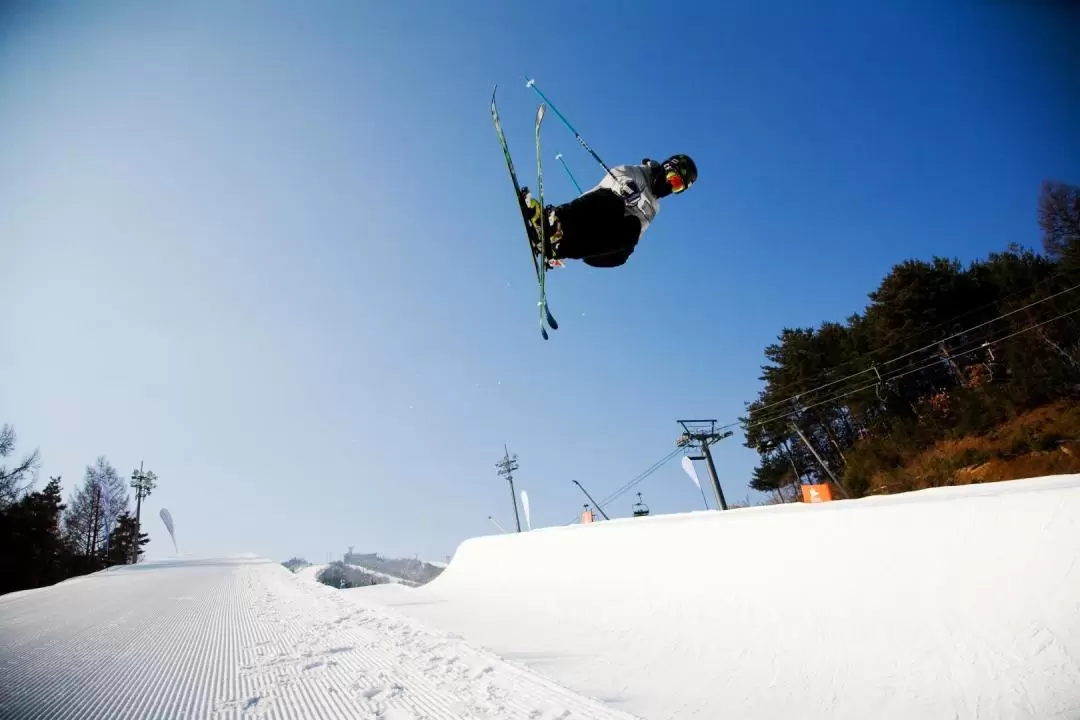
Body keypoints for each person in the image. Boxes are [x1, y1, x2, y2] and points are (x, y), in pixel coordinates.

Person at [521, 154, 697, 268]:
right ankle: (553, 222)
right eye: (673, 180)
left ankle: (559, 248)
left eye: (677, 187)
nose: (671, 187)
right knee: (614, 203)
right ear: (667, 168)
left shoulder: (654, 208)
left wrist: (626, 250)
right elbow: (617, 175)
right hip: (593, 213)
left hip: (602, 234)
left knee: (625, 245)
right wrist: (623, 187)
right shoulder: (638, 172)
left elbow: (638, 231)